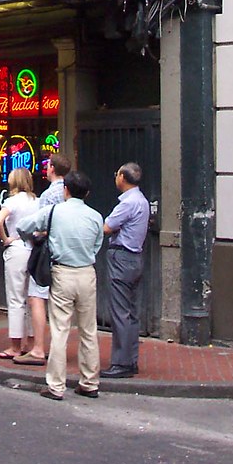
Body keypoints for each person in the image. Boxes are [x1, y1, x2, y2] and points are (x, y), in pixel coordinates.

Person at [17, 170, 104, 400]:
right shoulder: (96, 216)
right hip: (86, 272)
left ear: (65, 190)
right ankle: (90, 382)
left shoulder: (54, 211)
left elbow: (23, 226)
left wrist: (40, 236)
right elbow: (97, 245)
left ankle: (56, 385)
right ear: (87, 193)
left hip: (62, 272)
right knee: (88, 330)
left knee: (60, 330)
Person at [17, 153, 72, 366]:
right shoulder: (69, 191)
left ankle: (38, 348)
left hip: (47, 252)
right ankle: (59, 347)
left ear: (51, 169)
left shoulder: (49, 195)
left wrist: (32, 237)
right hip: (65, 251)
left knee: (37, 297)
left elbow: (40, 225)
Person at [100, 162, 150, 378]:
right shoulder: (142, 200)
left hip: (122, 256)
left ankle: (121, 362)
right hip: (135, 257)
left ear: (122, 177)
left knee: (120, 311)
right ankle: (130, 359)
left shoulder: (127, 203)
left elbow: (107, 227)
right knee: (130, 311)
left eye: (116, 174)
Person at [0, 167, 40, 360]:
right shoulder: (37, 201)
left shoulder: (11, 201)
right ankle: (31, 342)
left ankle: (15, 345)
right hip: (33, 249)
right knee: (32, 298)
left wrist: (6, 238)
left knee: (15, 299)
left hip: (17, 249)